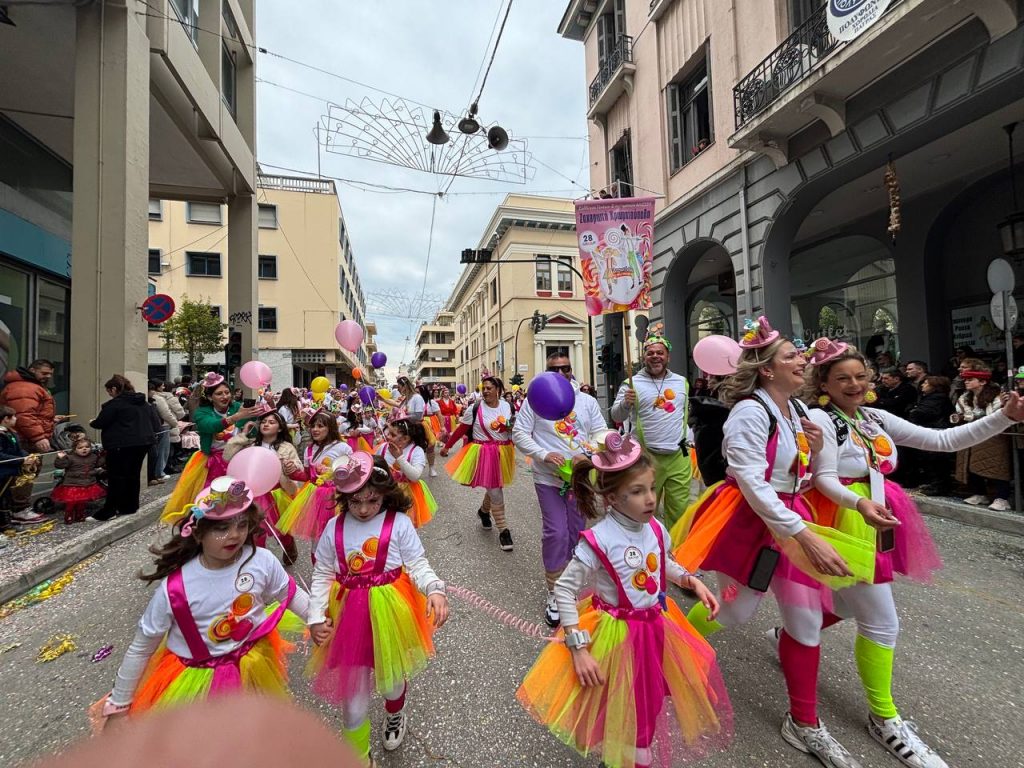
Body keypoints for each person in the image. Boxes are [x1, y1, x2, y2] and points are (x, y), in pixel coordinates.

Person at [797, 338, 1024, 768]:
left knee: (846, 602)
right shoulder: (820, 420)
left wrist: (1002, 416)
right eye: (842, 378)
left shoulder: (873, 417)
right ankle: (884, 719)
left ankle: (790, 634)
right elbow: (824, 477)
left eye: (861, 376)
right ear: (823, 382)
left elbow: (942, 440)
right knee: (882, 621)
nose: (854, 384)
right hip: (845, 521)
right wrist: (858, 504)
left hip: (876, 516)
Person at [673, 316, 860, 768]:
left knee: (806, 621)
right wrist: (803, 536)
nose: (802, 361)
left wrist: (815, 453)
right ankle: (671, 644)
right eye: (791, 356)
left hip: (790, 518)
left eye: (799, 354)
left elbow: (801, 477)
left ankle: (804, 723)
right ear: (767, 370)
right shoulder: (749, 413)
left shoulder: (795, 411)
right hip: (751, 522)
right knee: (737, 610)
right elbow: (754, 486)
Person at [517, 432, 732, 768]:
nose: (650, 499)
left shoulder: (656, 528)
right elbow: (563, 589)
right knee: (619, 701)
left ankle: (630, 751)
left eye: (650, 488)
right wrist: (577, 648)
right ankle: (629, 754)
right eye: (637, 492)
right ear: (613, 499)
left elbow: (664, 561)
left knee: (647, 702)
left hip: (656, 628)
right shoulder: (598, 540)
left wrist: (690, 580)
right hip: (616, 636)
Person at [94, 476, 310, 725]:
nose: (234, 535)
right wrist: (119, 704)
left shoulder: (260, 560)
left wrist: (318, 620)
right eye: (221, 528)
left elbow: (290, 594)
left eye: (241, 525)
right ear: (198, 533)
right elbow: (142, 647)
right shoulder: (175, 589)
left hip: (253, 663)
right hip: (198, 682)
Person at [307, 453, 448, 767]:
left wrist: (434, 589)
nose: (363, 509)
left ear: (385, 494)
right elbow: (322, 573)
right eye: (354, 501)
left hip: (390, 613)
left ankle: (395, 712)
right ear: (344, 498)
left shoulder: (398, 523)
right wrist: (316, 616)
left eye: (371, 500)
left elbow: (418, 565)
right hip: (348, 619)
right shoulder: (334, 527)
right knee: (353, 702)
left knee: (392, 680)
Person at [512, 351, 607, 626]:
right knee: (555, 531)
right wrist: (543, 454)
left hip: (580, 479)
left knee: (576, 533)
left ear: (571, 369)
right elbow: (519, 433)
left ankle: (570, 582)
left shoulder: (586, 401)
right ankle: (555, 591)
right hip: (548, 478)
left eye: (565, 368)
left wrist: (593, 452)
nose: (562, 373)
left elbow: (599, 431)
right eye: (555, 369)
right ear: (548, 372)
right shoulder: (535, 400)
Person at [609, 324, 692, 528]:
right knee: (646, 510)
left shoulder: (682, 382)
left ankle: (675, 554)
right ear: (644, 357)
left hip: (678, 457)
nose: (655, 356)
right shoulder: (631, 383)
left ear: (668, 357)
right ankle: (649, 551)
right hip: (647, 457)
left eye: (660, 353)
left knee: (680, 513)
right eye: (650, 353)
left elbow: (685, 415)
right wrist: (625, 403)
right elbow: (615, 415)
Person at [162, 372, 262, 519]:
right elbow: (209, 426)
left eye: (227, 392)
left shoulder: (237, 407)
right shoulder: (202, 412)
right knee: (214, 501)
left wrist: (256, 415)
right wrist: (234, 418)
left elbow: (249, 431)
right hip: (213, 461)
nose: (225, 397)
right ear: (210, 397)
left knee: (241, 498)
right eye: (219, 394)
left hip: (238, 459)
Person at [440, 376, 516, 552]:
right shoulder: (475, 408)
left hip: (504, 452)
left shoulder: (508, 406)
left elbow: (514, 428)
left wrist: (511, 430)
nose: (486, 391)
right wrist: (447, 446)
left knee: (494, 485)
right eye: (484, 388)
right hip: (484, 453)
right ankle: (504, 530)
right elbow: (461, 430)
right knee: (495, 489)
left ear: (498, 389)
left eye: (490, 388)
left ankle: (484, 511)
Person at [224, 411, 301, 565]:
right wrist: (243, 434)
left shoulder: (287, 447)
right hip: (255, 493)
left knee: (281, 529)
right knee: (256, 530)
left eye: (271, 422)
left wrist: (290, 467)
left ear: (280, 428)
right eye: (264, 422)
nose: (266, 424)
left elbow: (297, 468)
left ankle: (289, 545)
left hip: (277, 493)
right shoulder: (251, 444)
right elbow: (227, 456)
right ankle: (258, 562)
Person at [277, 411, 352, 543]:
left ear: (331, 427)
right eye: (313, 426)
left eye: (320, 426)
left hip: (337, 498)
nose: (315, 430)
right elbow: (307, 476)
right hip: (315, 498)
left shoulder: (343, 448)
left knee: (338, 538)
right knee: (317, 541)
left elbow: (352, 475)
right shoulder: (309, 449)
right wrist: (292, 471)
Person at [90, 375, 158, 521]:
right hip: (143, 443)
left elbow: (100, 422)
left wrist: (92, 422)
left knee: (116, 477)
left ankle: (109, 511)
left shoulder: (115, 404)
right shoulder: (143, 403)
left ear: (114, 389)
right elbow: (154, 422)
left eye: (109, 391)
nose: (109, 394)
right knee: (133, 475)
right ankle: (130, 506)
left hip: (121, 444)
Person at [953, 367, 1013, 511]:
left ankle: (1002, 498)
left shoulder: (996, 396)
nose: (966, 382)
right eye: (965, 379)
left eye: (970, 380)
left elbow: (995, 415)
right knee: (970, 464)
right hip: (972, 433)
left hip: (994, 435)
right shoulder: (964, 397)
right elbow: (960, 411)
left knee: (996, 465)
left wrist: (972, 417)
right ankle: (980, 493)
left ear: (982, 382)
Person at [377, 412, 436, 529]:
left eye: (393, 435)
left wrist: (399, 458)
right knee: (384, 524)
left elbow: (414, 476)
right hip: (384, 491)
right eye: (388, 433)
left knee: (404, 526)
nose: (388, 437)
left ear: (405, 438)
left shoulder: (416, 451)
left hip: (406, 494)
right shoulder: (383, 448)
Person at [0, 358, 64, 452]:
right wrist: (38, 437)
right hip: (24, 439)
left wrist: (50, 418)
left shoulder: (30, 386)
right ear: (32, 370)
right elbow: (24, 415)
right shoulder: (24, 388)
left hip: (26, 437)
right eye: (44, 373)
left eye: (50, 374)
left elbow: (28, 413)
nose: (49, 376)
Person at [907, 376, 955, 496]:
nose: (923, 385)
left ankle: (940, 486)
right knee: (928, 460)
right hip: (928, 429)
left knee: (937, 460)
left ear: (934, 386)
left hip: (936, 430)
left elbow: (922, 412)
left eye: (926, 383)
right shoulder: (925, 398)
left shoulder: (938, 398)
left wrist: (914, 411)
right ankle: (933, 483)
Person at [0, 406, 42, 531]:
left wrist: (28, 456)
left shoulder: (10, 432)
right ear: (5, 419)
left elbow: (18, 450)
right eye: (13, 416)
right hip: (2, 472)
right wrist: (22, 460)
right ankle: (4, 525)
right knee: (2, 497)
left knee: (7, 497)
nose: (15, 419)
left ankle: (6, 521)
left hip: (10, 472)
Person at [52, 438, 105, 524]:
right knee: (71, 503)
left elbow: (98, 464)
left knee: (82, 502)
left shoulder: (93, 457)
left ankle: (80, 516)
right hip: (73, 484)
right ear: (74, 449)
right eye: (80, 448)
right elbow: (60, 465)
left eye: (87, 447)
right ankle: (68, 516)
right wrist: (60, 458)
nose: (84, 449)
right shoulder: (70, 457)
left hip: (87, 484)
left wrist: (103, 456)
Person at [147, 380, 176, 486]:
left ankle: (157, 472)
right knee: (163, 451)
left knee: (159, 451)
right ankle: (159, 472)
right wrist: (175, 423)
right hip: (162, 426)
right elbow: (166, 413)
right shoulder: (159, 399)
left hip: (156, 427)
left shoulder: (154, 398)